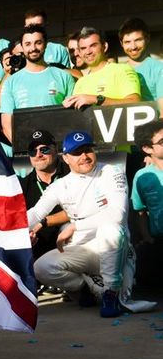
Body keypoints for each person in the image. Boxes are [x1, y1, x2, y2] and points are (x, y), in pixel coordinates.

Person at [27, 131, 129, 317]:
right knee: (41, 268)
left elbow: (117, 216)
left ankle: (111, 292)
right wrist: (6, 229)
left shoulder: (111, 172)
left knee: (111, 229)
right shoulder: (61, 185)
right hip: (82, 250)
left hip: (114, 250)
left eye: (87, 150)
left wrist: (75, 226)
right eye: (76, 153)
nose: (84, 156)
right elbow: (36, 213)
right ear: (65, 158)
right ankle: (87, 288)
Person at [0, 25, 76, 142]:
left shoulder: (64, 76)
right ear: (22, 47)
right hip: (26, 152)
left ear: (45, 44)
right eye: (28, 44)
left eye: (38, 43)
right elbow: (6, 124)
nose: (33, 48)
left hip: (58, 148)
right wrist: (24, 149)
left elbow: (72, 118)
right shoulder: (11, 82)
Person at [19, 129, 70, 261]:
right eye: (33, 151)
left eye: (44, 149)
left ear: (56, 149)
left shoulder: (71, 174)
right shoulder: (21, 186)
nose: (38, 154)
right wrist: (24, 237)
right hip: (39, 252)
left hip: (72, 245)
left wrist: (46, 222)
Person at [62, 27, 140, 110]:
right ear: (80, 52)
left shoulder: (122, 70)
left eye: (93, 46)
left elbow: (135, 102)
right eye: (83, 48)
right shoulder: (80, 82)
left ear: (104, 47)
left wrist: (97, 99)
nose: (88, 52)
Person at [132, 120, 163, 286]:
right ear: (147, 148)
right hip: (158, 240)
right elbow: (140, 211)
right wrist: (147, 237)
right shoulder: (142, 176)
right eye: (162, 142)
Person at [118, 18, 163, 114]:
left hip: (153, 126)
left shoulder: (159, 68)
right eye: (127, 42)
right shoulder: (117, 70)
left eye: (138, 40)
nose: (133, 47)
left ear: (147, 39)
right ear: (121, 43)